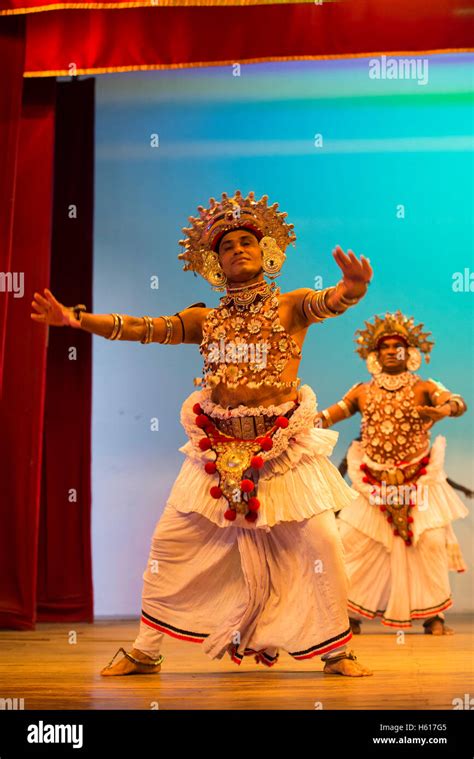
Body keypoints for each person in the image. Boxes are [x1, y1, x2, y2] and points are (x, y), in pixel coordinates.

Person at [32, 190, 373, 676]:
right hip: (215, 449)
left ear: (266, 252)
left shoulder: (292, 306)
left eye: (245, 241)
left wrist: (354, 287)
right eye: (226, 246)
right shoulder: (204, 319)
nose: (237, 248)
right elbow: (142, 327)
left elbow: (333, 301)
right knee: (171, 545)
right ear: (215, 265)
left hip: (282, 450)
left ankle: (337, 651)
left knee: (321, 541)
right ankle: (146, 649)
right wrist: (76, 320)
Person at [315, 312, 469, 635]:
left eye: (397, 346)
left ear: (409, 352)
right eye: (383, 346)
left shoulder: (426, 388)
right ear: (374, 355)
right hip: (372, 482)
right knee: (353, 541)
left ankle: (434, 618)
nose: (390, 351)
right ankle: (349, 615)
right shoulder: (361, 392)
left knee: (429, 543)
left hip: (418, 480)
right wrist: (307, 420)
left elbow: (457, 402)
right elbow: (330, 415)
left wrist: (444, 410)